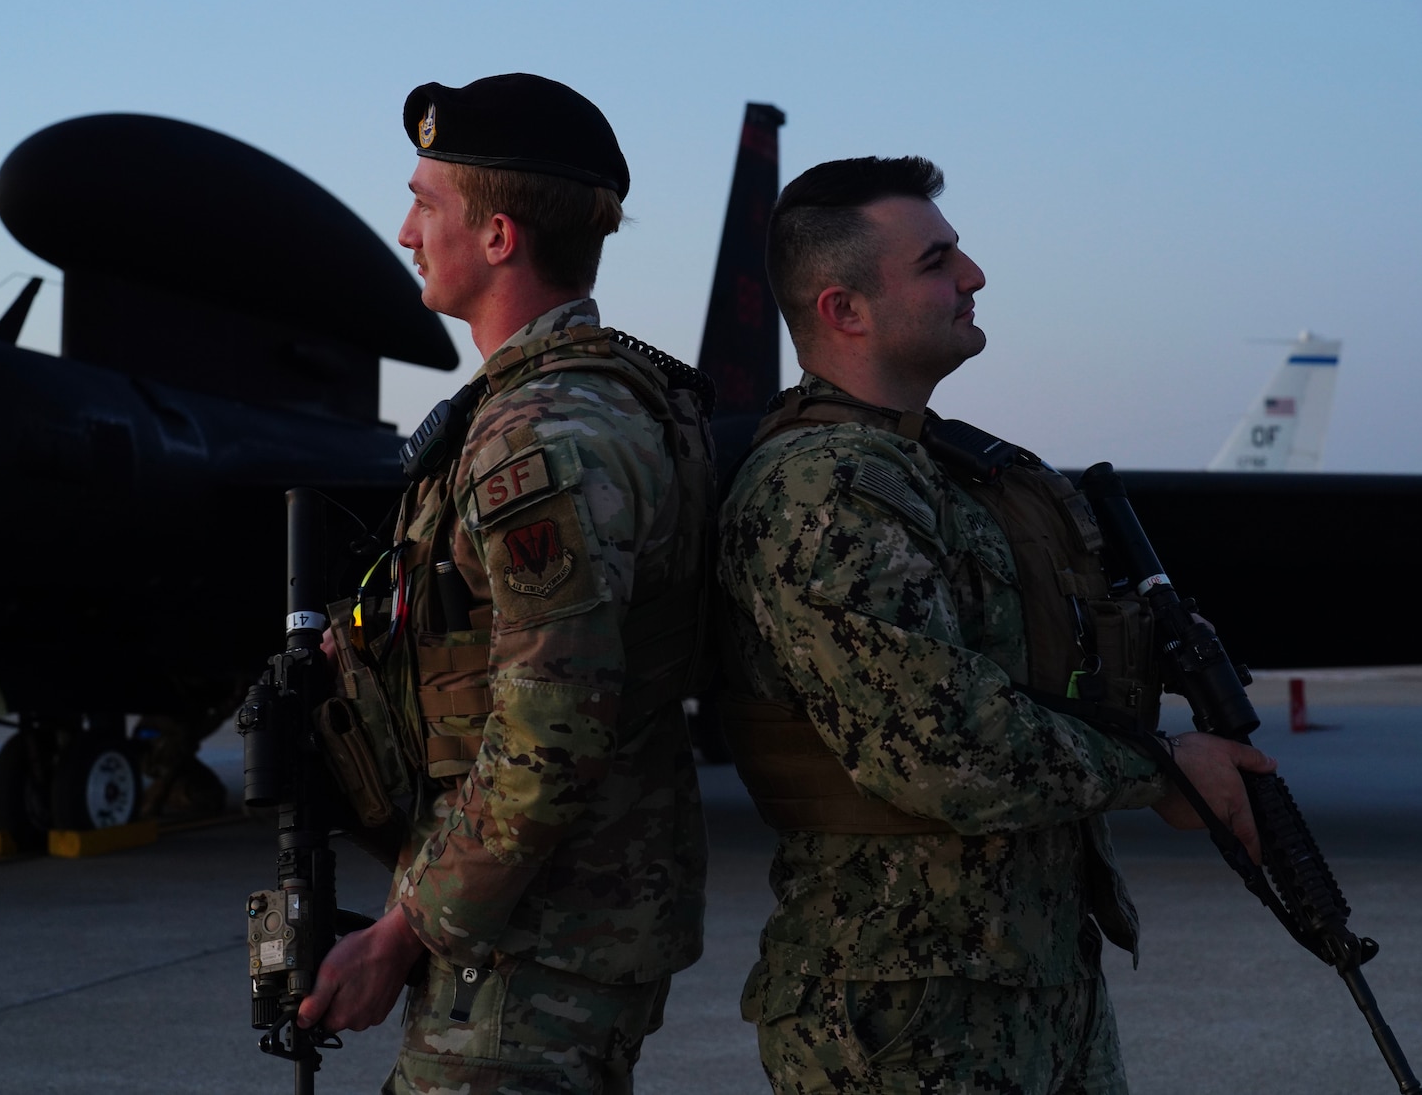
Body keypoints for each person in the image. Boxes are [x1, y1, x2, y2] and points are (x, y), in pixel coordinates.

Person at [715, 156, 1276, 1094]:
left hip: (1031, 985)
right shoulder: (827, 486)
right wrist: (1167, 769)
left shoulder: (945, 474)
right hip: (905, 1014)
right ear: (843, 309)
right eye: (938, 261)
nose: (972, 276)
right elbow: (939, 748)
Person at [297, 73, 713, 1095]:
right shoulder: (575, 404)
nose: (404, 232)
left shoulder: (544, 437)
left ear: (497, 237)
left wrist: (403, 931)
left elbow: (550, 732)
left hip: (534, 944)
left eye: (425, 203)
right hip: (544, 923)